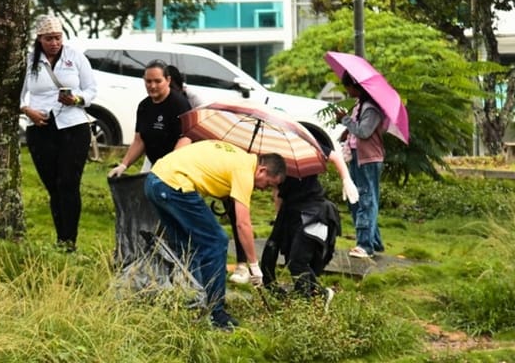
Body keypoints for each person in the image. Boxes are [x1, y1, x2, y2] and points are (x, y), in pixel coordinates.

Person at [143, 140, 286, 330]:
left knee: (188, 246)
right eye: (268, 184)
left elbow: (212, 175)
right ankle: (215, 313)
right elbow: (243, 224)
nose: (263, 189)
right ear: (262, 170)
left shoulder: (238, 156)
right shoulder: (245, 170)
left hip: (154, 180)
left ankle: (192, 303)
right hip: (174, 185)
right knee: (217, 241)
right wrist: (253, 264)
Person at [20, 15, 97, 252]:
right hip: (41, 127)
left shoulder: (75, 57)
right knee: (53, 185)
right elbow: (19, 94)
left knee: (68, 183)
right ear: (39, 39)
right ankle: (61, 238)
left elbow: (91, 89)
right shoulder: (29, 61)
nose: (54, 43)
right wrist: (27, 110)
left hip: (73, 125)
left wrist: (77, 99)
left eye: (58, 38)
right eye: (49, 39)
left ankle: (69, 240)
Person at [258, 123, 359, 304]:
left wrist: (346, 179)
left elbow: (335, 156)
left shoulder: (304, 147)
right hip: (290, 210)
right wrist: (278, 220)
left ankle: (318, 296)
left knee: (298, 261)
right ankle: (290, 295)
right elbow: (278, 192)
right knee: (273, 254)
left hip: (313, 211)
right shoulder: (275, 156)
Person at [107, 60, 192, 178]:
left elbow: (186, 138)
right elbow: (139, 140)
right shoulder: (144, 106)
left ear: (168, 80)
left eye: (157, 81)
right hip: (156, 167)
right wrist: (124, 165)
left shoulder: (179, 104)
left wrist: (169, 166)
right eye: (148, 81)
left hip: (177, 170)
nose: (152, 86)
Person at [336, 72, 386, 259]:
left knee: (366, 200)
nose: (347, 91)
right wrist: (347, 131)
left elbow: (364, 132)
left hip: (369, 159)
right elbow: (357, 130)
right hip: (358, 156)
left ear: (356, 86)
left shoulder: (371, 108)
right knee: (356, 199)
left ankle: (365, 245)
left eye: (348, 87)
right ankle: (374, 241)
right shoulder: (360, 105)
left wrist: (345, 120)